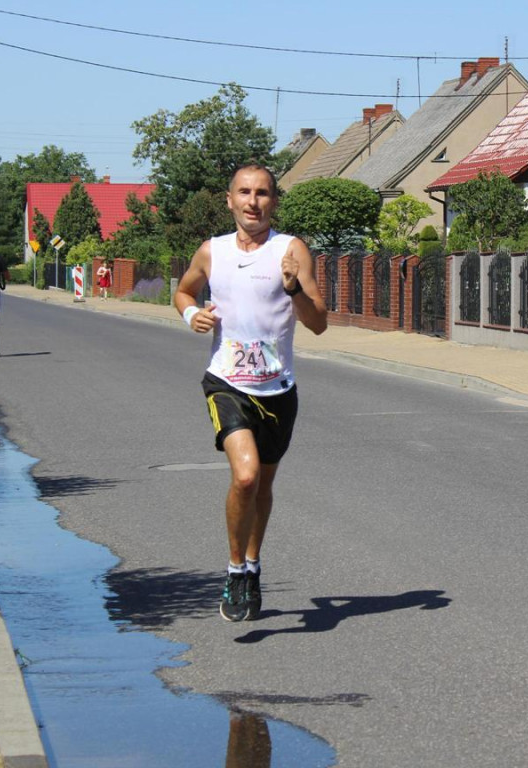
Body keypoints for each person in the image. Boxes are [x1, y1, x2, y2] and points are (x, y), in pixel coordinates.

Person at [173, 163, 327, 623]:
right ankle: (234, 567)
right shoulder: (211, 251)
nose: (253, 201)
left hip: (279, 389)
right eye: (244, 192)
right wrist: (190, 315)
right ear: (230, 200)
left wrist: (293, 287)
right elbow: (182, 292)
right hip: (227, 382)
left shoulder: (291, 250)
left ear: (274, 202)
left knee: (263, 485)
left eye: (262, 193)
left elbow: (318, 322)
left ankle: (253, 565)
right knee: (245, 477)